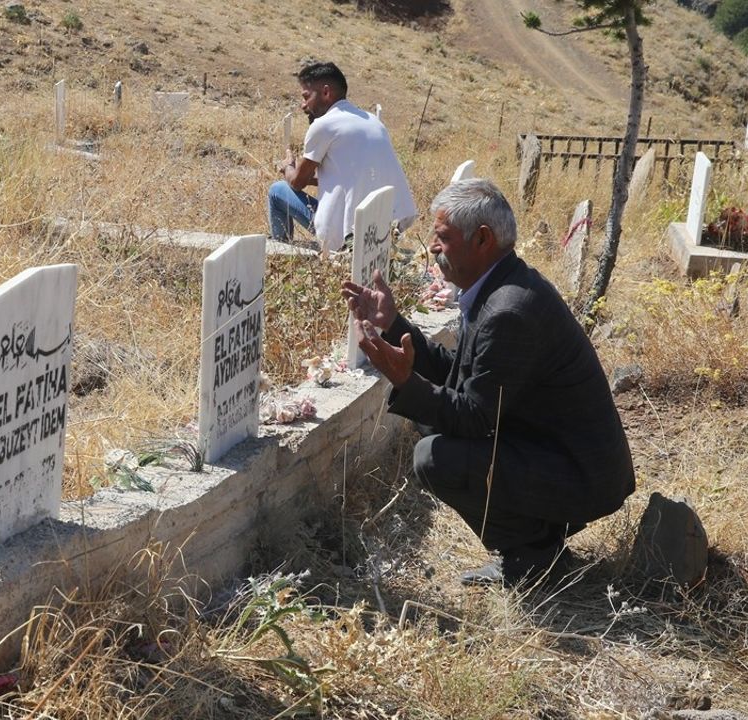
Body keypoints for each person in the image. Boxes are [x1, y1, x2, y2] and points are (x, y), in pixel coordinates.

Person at [342, 179, 635, 586]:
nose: (431, 246)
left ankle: (530, 559)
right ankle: (539, 541)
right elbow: (463, 375)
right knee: (431, 419)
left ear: (482, 239)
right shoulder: (499, 286)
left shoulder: (509, 310)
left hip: (581, 476)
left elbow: (475, 418)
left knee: (434, 456)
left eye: (442, 237)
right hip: (559, 456)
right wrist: (392, 326)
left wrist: (406, 380)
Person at [268, 61, 416, 252]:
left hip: (346, 235)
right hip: (386, 226)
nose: (303, 105)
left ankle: (281, 252)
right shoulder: (373, 121)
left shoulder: (323, 125)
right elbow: (348, 178)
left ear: (326, 92)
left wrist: (288, 166)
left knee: (278, 189)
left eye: (306, 97)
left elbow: (296, 182)